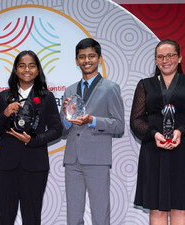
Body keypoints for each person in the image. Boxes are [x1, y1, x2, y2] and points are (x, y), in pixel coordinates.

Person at [130, 39, 185, 225]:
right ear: (156, 60)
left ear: (180, 58)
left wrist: (181, 131)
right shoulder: (145, 84)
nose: (165, 60)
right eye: (160, 56)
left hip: (183, 150)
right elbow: (135, 120)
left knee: (180, 207)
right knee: (157, 210)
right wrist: (154, 134)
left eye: (170, 55)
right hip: (153, 149)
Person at [0, 50, 62, 225]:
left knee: (32, 218)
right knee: (4, 218)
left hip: (35, 165)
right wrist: (5, 113)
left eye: (31, 65)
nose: (26, 69)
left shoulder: (46, 97)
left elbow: (56, 129)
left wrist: (33, 141)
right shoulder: (3, 97)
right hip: (6, 166)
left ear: (37, 71)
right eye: (22, 65)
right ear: (15, 70)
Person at [60, 38, 125, 225]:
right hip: (72, 159)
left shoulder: (110, 88)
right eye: (82, 57)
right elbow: (62, 129)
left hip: (97, 158)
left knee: (99, 212)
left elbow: (119, 125)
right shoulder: (69, 90)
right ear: (76, 60)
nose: (86, 61)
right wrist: (66, 118)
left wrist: (92, 120)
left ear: (99, 58)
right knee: (73, 214)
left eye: (91, 56)